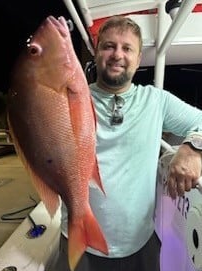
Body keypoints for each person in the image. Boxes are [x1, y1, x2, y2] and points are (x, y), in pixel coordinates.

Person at [50, 16, 202, 271]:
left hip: (140, 244)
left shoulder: (156, 101)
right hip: (79, 242)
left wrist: (192, 149)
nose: (117, 54)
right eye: (109, 46)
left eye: (127, 48)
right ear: (96, 53)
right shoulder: (69, 101)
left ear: (138, 58)